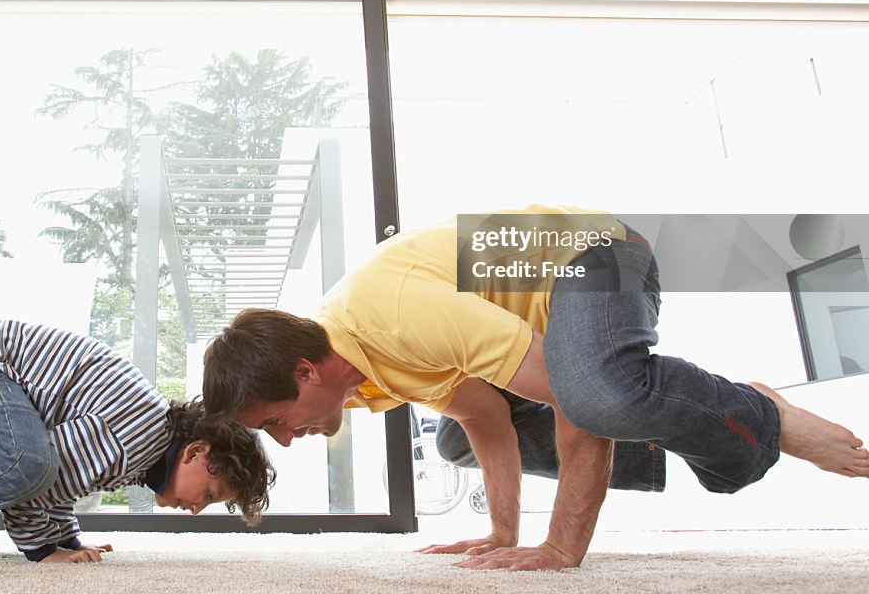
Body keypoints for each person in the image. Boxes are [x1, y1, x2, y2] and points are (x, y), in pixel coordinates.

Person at [201, 204, 869, 572]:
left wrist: (560, 545)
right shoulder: (364, 372)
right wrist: (498, 531)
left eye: (276, 422)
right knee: (457, 440)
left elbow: (570, 402)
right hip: (550, 311)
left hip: (596, 252)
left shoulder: (394, 316)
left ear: (305, 373)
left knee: (596, 397)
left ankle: (759, 412)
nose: (286, 441)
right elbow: (486, 417)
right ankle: (707, 432)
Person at [0, 320, 275, 562]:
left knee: (32, 462)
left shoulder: (142, 446)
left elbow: (67, 481)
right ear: (196, 451)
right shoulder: (137, 439)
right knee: (24, 464)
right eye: (208, 493)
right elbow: (42, 482)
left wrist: (69, 539)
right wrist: (43, 551)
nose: (196, 509)